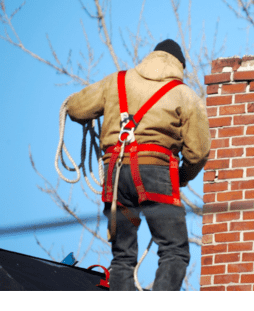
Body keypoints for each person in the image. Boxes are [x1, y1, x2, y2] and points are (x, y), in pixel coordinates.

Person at [66, 39, 211, 291]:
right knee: (174, 250)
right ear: (179, 66)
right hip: (156, 173)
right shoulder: (184, 94)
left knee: (122, 255)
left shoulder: (116, 81)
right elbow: (198, 153)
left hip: (116, 173)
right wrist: (182, 176)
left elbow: (76, 108)